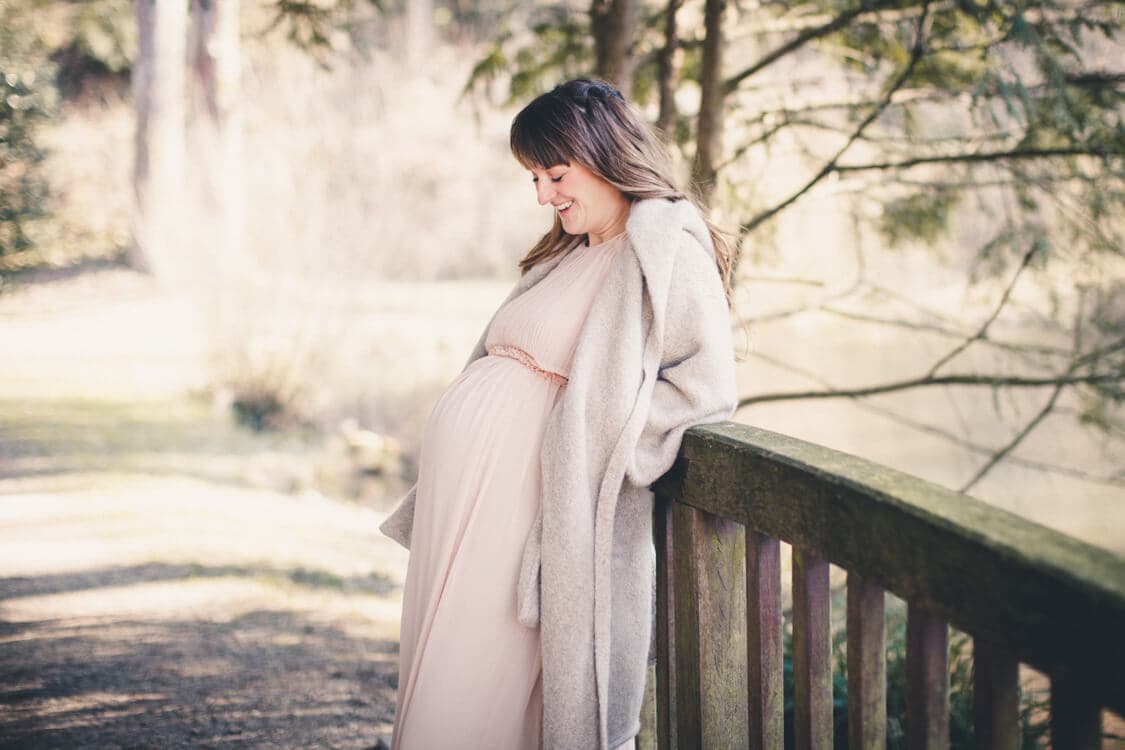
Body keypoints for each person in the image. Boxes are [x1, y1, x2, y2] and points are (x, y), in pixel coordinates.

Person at [379, 77, 739, 750]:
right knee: (446, 666)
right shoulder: (575, 249)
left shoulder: (665, 248)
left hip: (532, 508)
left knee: (481, 680)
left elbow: (706, 388)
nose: (543, 196)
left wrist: (601, 445)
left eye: (553, 174)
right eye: (534, 179)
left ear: (602, 154)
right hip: (468, 511)